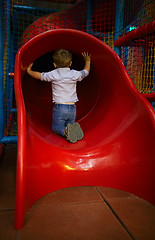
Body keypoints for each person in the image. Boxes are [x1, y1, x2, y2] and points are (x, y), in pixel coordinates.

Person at [27, 49, 91, 143]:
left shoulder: (54, 74)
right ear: (70, 63)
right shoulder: (74, 74)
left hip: (60, 107)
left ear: (55, 65)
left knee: (56, 128)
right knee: (69, 125)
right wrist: (87, 61)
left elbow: (40, 76)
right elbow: (86, 72)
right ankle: (71, 129)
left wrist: (29, 71)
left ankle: (65, 132)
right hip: (72, 108)